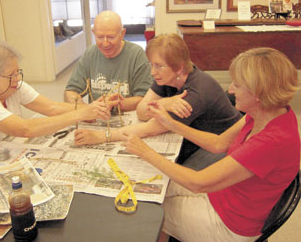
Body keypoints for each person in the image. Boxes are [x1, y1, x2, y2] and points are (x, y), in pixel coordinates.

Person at [123, 47, 300, 242]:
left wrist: (145, 152)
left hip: (229, 226)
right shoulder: (265, 112)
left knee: (151, 209)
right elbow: (218, 143)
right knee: (154, 188)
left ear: (258, 93)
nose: (231, 90)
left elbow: (198, 182)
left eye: (237, 85)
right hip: (223, 196)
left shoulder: (271, 141)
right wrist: (172, 124)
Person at [74, 33, 242, 170]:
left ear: (179, 67)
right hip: (197, 135)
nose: (153, 72)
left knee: (178, 176)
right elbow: (141, 111)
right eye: (151, 65)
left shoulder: (195, 93)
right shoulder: (168, 77)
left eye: (159, 66)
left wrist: (101, 136)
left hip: (225, 144)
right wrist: (165, 103)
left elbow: (149, 128)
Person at [0, 41, 110, 174]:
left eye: (18, 72)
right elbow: (25, 129)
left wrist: (92, 108)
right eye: (11, 75)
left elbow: (51, 107)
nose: (17, 79)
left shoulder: (13, 86)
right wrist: (80, 113)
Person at [64, 10, 152, 112]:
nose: (105, 44)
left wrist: (111, 106)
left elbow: (144, 99)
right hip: (96, 117)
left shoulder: (137, 55)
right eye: (100, 37)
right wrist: (84, 110)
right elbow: (71, 91)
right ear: (93, 33)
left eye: (111, 37)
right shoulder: (90, 54)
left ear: (122, 33)